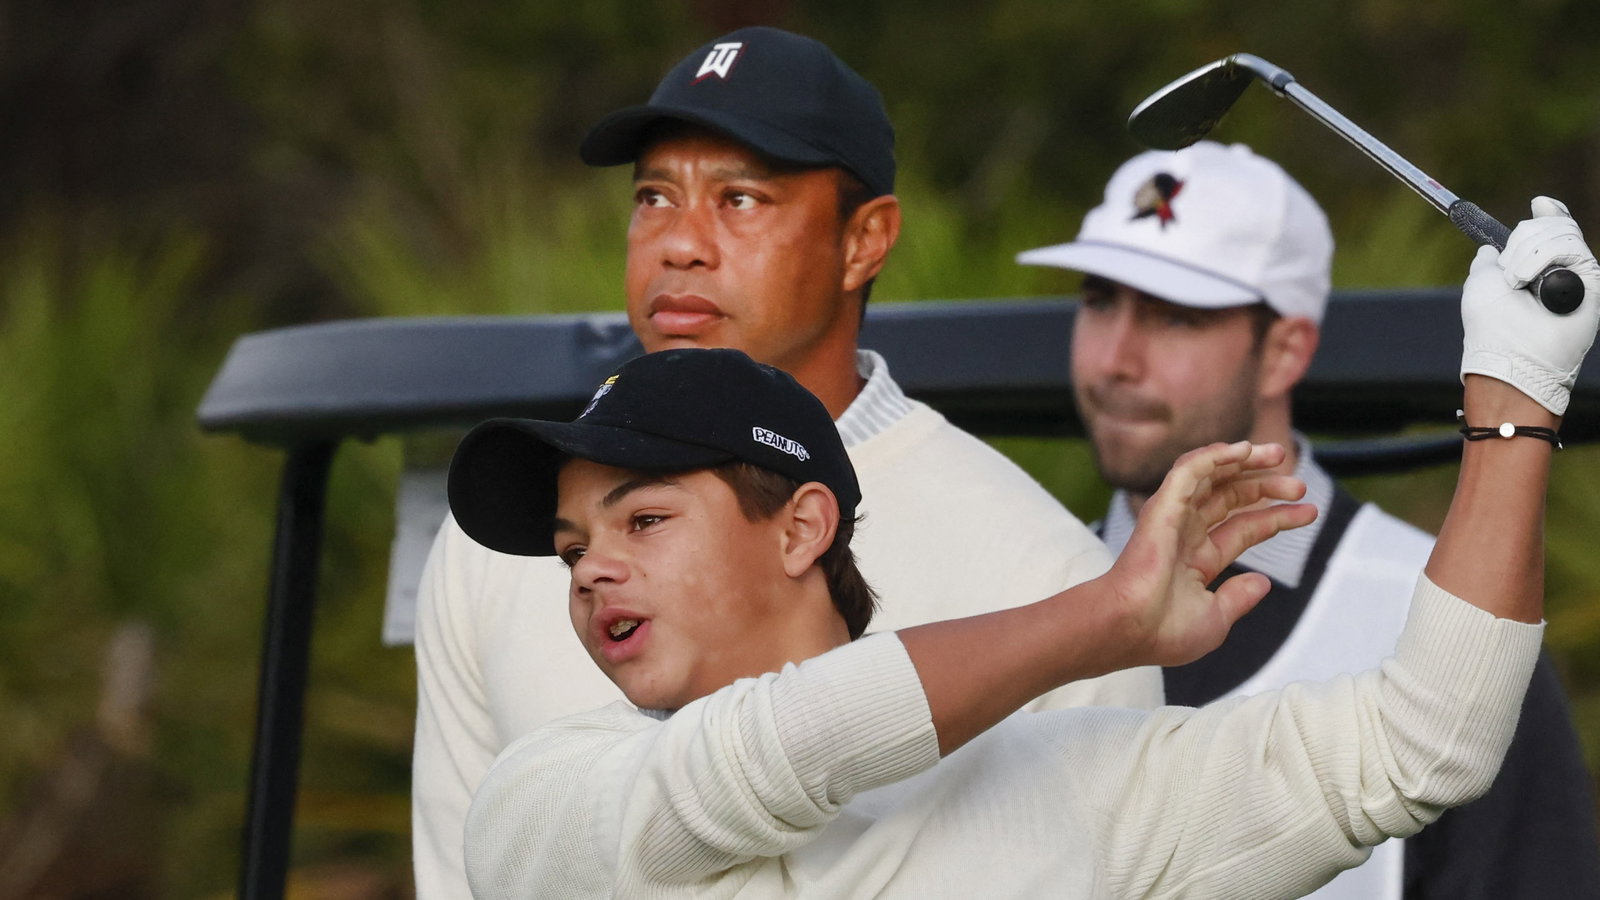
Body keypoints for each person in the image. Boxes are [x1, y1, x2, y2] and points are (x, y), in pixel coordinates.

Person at [446, 200, 1598, 897]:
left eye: (643, 520)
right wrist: (1102, 619)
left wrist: (1516, 397)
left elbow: (1425, 743)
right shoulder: (541, 798)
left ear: (800, 528)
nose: (591, 568)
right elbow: (771, 752)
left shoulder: (1075, 791)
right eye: (568, 546)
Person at [410, 27, 1158, 896]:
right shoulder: (485, 550)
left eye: (740, 200)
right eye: (653, 196)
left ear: (865, 241)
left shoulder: (1046, 570)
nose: (679, 244)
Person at [1016, 141, 1600, 898]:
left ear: (1285, 350)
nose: (1115, 359)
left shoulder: (1463, 620)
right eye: (1099, 301)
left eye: (1175, 318)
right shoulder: (1011, 591)